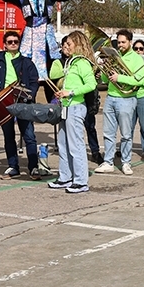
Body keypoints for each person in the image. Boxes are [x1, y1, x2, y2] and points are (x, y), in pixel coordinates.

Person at [0, 0, 88, 92]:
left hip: (46, 32)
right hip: (30, 32)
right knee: (25, 59)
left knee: (52, 60)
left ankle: (55, 92)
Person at [0, 30, 42, 179]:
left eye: (15, 42)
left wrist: (30, 95)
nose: (13, 44)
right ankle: (13, 166)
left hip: (23, 102)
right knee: (8, 137)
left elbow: (35, 81)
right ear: (5, 44)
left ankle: (33, 167)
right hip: (4, 102)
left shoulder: (26, 62)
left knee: (29, 135)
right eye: (10, 42)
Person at [47, 30, 97, 193]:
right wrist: (62, 92)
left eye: (68, 44)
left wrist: (71, 92)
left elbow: (91, 85)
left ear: (78, 45)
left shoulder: (82, 63)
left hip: (75, 107)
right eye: (65, 44)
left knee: (75, 145)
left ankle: (81, 181)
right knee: (63, 143)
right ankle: (65, 177)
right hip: (65, 106)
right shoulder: (70, 62)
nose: (64, 47)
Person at [96, 30, 144, 175]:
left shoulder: (136, 59)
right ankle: (108, 161)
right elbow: (106, 80)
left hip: (127, 98)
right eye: (119, 42)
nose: (121, 45)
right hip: (111, 97)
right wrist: (104, 72)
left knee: (126, 134)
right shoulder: (113, 56)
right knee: (108, 133)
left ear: (130, 42)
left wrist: (120, 78)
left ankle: (126, 162)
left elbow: (139, 80)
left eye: (123, 42)